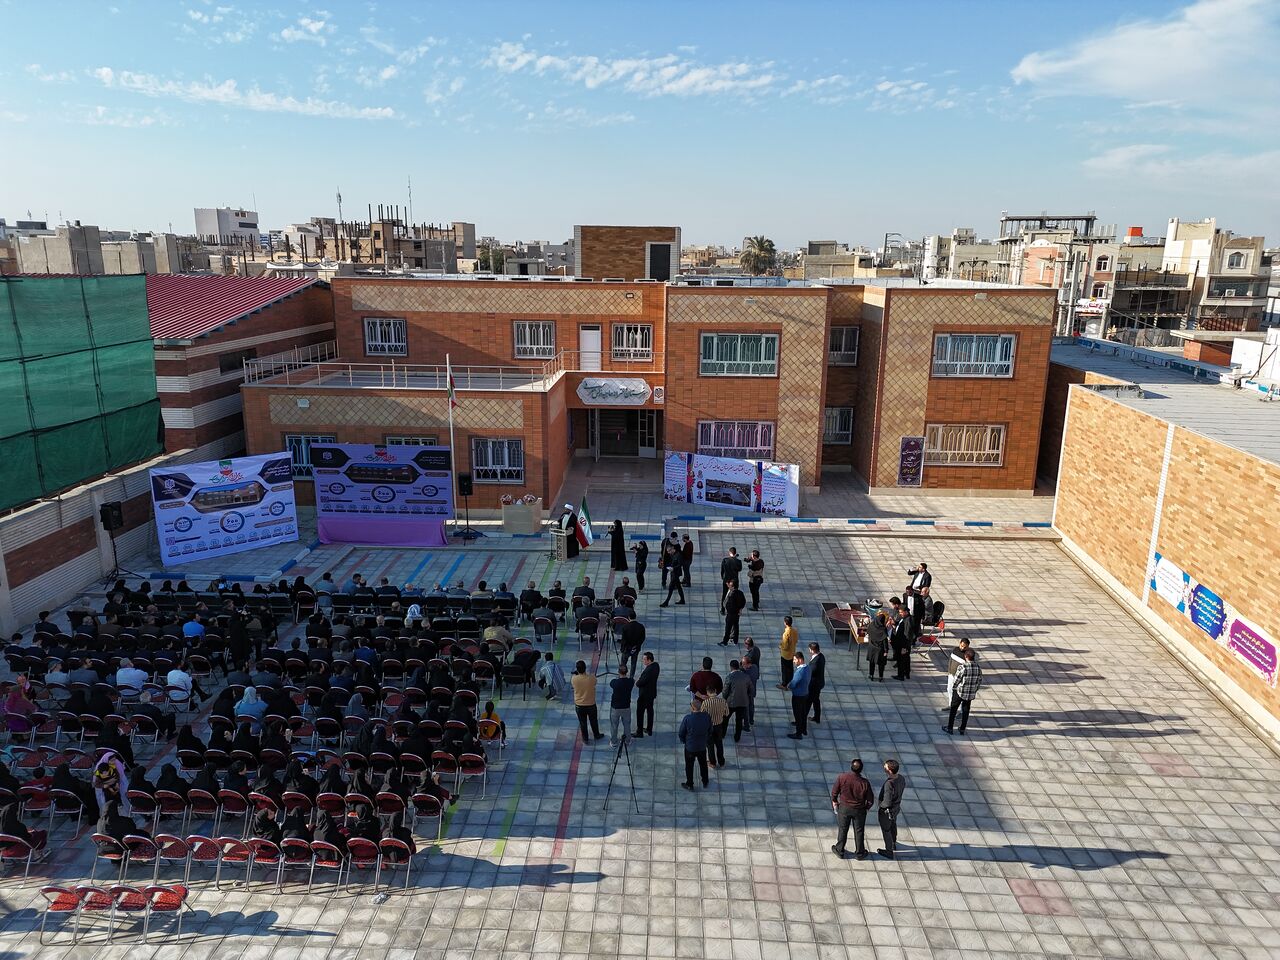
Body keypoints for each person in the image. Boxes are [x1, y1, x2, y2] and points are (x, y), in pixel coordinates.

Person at [830, 758, 875, 860]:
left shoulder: (842, 777)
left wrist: (834, 801)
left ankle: (840, 850)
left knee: (843, 829)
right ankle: (860, 853)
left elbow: (834, 792)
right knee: (859, 831)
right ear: (861, 769)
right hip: (859, 810)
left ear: (851, 767)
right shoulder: (865, 783)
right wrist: (866, 808)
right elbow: (870, 799)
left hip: (844, 808)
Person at [945, 649, 982, 735]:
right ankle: (962, 729)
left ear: (966, 656)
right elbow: (979, 681)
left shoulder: (963, 667)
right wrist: (974, 690)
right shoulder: (978, 667)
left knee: (953, 709)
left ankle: (950, 728)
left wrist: (954, 688)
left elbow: (956, 680)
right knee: (966, 711)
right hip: (970, 694)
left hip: (960, 692)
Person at [678, 700, 712, 791]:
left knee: (689, 766)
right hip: (702, 746)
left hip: (690, 747)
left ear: (692, 708)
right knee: (703, 764)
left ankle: (690, 784)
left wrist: (684, 741)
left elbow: (681, 733)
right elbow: (710, 730)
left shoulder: (688, 718)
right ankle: (705, 781)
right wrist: (705, 739)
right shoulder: (706, 716)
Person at [877, 759, 907, 859]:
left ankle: (889, 851)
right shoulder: (901, 778)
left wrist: (881, 805)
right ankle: (893, 842)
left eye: (885, 767)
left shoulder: (889, 784)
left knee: (886, 830)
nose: (884, 767)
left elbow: (887, 802)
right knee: (893, 824)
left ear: (889, 770)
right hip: (896, 808)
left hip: (887, 811)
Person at [570, 660, 601, 744]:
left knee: (583, 723)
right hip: (591, 704)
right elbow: (595, 682)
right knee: (593, 721)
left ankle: (585, 738)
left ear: (577, 669)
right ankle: (596, 735)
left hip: (579, 705)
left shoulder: (574, 679)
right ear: (585, 668)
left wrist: (576, 674)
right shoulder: (591, 678)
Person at [724, 660, 752, 743]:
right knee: (739, 720)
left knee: (725, 718)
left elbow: (725, 691)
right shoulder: (746, 676)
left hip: (731, 703)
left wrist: (725, 698)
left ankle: (722, 734)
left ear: (731, 667)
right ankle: (737, 737)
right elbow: (751, 689)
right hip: (742, 702)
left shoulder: (729, 677)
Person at [703, 683, 729, 769]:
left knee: (710, 746)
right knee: (719, 744)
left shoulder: (705, 703)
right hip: (719, 726)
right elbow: (727, 713)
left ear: (707, 692)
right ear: (715, 691)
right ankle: (721, 762)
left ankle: (712, 762)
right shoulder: (723, 701)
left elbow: (702, 715)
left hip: (709, 727)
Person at [786, 652, 811, 739]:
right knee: (803, 713)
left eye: (795, 660)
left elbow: (793, 684)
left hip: (798, 696)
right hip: (805, 693)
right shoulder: (807, 668)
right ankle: (804, 729)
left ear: (800, 660)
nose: (793, 661)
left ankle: (798, 733)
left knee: (798, 714)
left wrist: (788, 686)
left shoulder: (799, 672)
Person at [608, 665, 634, 746]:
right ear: (627, 672)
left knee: (614, 725)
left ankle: (614, 742)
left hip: (615, 708)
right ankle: (627, 740)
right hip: (626, 707)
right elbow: (631, 680)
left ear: (618, 672)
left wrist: (618, 677)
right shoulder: (631, 682)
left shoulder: (615, 683)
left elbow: (611, 683)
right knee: (627, 725)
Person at [634, 652, 659, 738]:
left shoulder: (648, 671)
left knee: (640, 713)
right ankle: (649, 729)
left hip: (644, 695)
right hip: (651, 693)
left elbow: (640, 682)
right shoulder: (656, 666)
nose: (643, 660)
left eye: (644, 659)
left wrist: (637, 682)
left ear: (649, 660)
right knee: (650, 711)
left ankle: (639, 732)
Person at [865, 602, 891, 682]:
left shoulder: (871, 625)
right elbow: (884, 641)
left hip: (872, 648)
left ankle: (871, 675)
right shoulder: (883, 630)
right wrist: (886, 651)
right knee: (881, 664)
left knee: (872, 663)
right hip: (880, 650)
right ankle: (880, 676)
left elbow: (868, 633)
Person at [891, 598, 915, 681]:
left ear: (906, 612)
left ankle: (901, 675)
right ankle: (906, 673)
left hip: (903, 644)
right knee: (906, 659)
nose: (900, 614)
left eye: (901, 612)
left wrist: (904, 647)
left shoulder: (908, 621)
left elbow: (907, 635)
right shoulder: (905, 618)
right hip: (902, 643)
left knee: (901, 659)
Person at [720, 581, 746, 645]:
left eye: (730, 585)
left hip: (731, 614)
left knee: (728, 628)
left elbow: (730, 605)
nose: (728, 585)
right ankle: (735, 640)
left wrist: (727, 609)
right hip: (737, 614)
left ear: (733, 587)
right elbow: (743, 601)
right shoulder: (740, 593)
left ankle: (725, 641)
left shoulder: (732, 595)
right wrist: (740, 609)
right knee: (736, 627)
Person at [807, 642, 826, 724]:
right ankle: (817, 717)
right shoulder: (821, 656)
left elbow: (810, 672)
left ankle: (800, 720)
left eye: (809, 649)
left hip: (814, 685)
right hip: (819, 683)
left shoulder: (815, 662)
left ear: (812, 650)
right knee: (816, 701)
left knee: (807, 702)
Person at [946, 638, 971, 703]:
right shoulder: (955, 650)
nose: (962, 648)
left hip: (960, 678)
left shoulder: (967, 655)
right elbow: (950, 661)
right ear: (959, 644)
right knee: (949, 689)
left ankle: (958, 707)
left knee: (958, 693)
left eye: (965, 647)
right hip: (951, 675)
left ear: (968, 646)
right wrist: (949, 672)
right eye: (961, 646)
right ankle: (951, 704)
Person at [719, 548, 743, 613]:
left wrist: (723, 578)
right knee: (735, 594)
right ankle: (735, 608)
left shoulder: (725, 560)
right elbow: (740, 569)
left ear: (730, 553)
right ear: (735, 553)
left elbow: (722, 571)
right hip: (734, 581)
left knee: (724, 594)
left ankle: (723, 609)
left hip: (726, 580)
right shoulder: (738, 561)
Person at [777, 616, 798, 689]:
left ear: (785, 623)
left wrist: (780, 646)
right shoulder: (794, 631)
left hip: (785, 655)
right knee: (790, 669)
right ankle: (790, 683)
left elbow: (785, 646)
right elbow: (796, 641)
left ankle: (784, 684)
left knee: (784, 670)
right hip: (792, 652)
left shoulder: (786, 633)